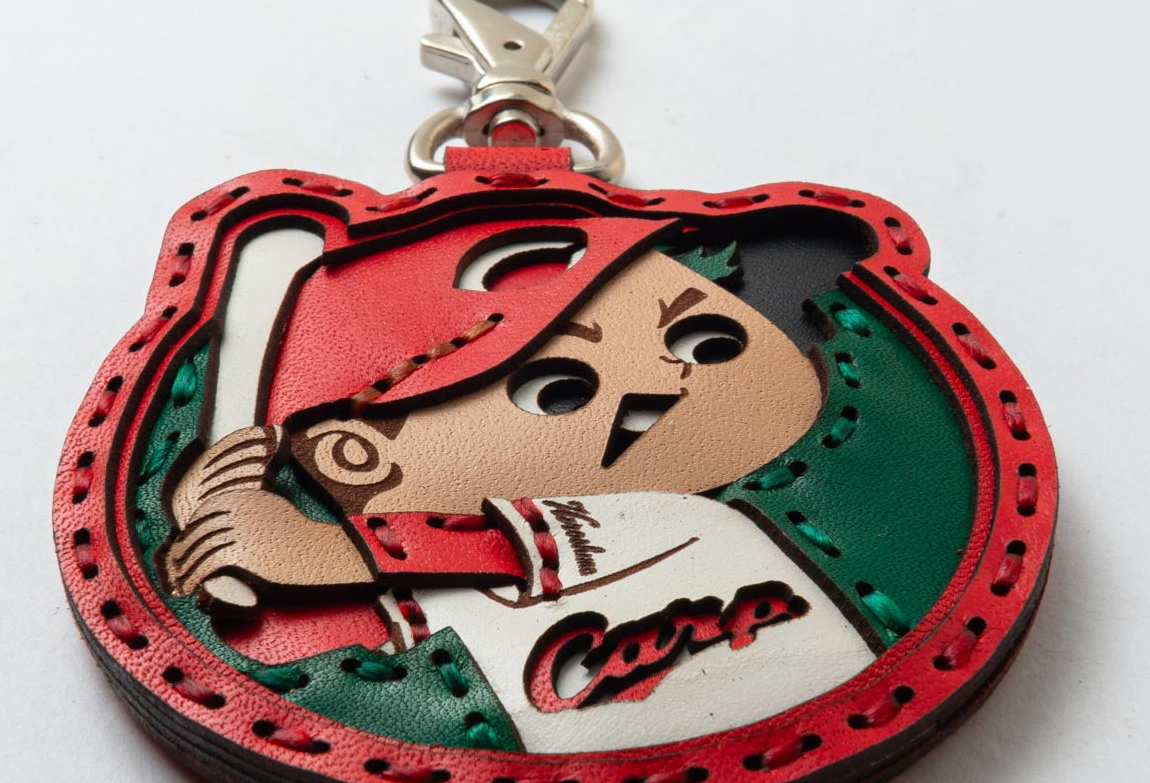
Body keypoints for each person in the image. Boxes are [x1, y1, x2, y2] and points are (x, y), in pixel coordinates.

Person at [161, 210, 875, 752]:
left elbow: (518, 545)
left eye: (704, 340)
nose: (663, 387)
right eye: (560, 391)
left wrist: (330, 554)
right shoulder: (419, 621)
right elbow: (335, 670)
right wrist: (214, 527)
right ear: (354, 458)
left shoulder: (689, 524)